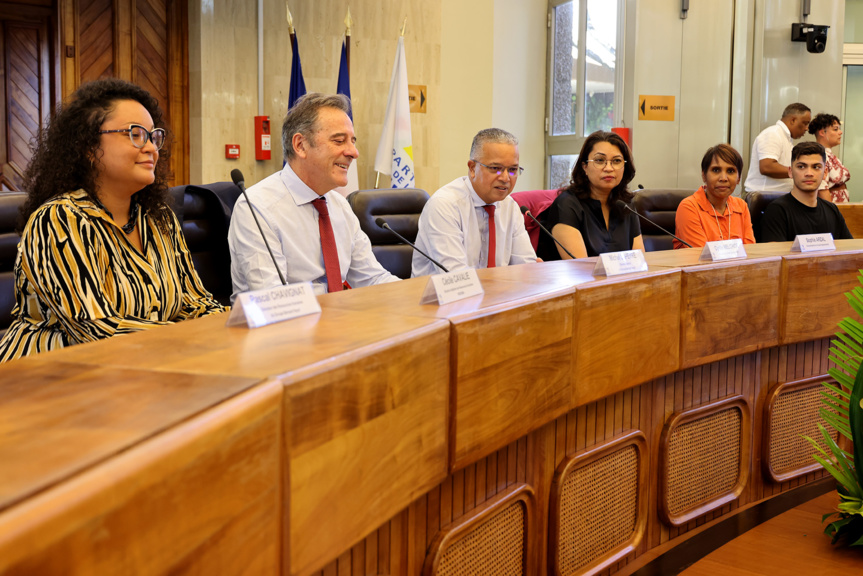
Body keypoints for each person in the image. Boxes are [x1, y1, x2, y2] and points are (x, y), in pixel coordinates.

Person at [0, 78, 224, 362]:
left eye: (153, 136)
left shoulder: (158, 218)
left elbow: (194, 302)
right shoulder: (58, 220)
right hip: (50, 379)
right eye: (135, 134)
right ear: (90, 147)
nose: (152, 148)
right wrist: (193, 339)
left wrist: (233, 325)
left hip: (149, 367)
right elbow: (96, 328)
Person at [229, 93, 399, 299]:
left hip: (339, 322)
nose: (354, 152)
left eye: (353, 141)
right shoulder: (257, 207)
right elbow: (271, 297)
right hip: (282, 326)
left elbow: (372, 279)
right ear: (300, 145)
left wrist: (416, 294)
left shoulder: (339, 206)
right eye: (339, 141)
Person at [410, 128, 535, 277]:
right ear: (472, 168)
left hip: (497, 297)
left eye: (513, 169)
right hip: (439, 298)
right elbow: (456, 276)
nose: (506, 178)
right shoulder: (444, 205)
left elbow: (526, 268)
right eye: (496, 168)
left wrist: (531, 273)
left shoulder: (511, 207)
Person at [537, 131, 644, 260]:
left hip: (624, 280)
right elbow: (581, 269)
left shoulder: (626, 204)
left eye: (616, 161)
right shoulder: (567, 205)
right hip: (578, 279)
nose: (609, 168)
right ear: (585, 167)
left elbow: (639, 262)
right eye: (600, 160)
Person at [761, 142, 853, 242]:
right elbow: (775, 255)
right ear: (790, 172)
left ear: (825, 173)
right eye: (801, 167)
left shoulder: (832, 210)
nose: (809, 173)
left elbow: (849, 250)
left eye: (816, 167)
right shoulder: (777, 211)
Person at [674, 144, 755, 249]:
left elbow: (750, 253)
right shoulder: (689, 207)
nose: (723, 178)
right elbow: (703, 257)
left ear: (739, 178)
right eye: (716, 170)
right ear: (704, 175)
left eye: (730, 171)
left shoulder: (742, 207)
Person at [744, 103, 811, 196]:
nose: (807, 128)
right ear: (793, 120)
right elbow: (766, 167)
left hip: (777, 196)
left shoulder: (786, 138)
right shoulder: (773, 133)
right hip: (764, 197)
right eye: (805, 123)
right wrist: (798, 171)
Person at [808, 113, 850, 204]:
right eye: (835, 129)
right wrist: (830, 212)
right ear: (822, 132)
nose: (840, 132)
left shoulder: (829, 154)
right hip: (830, 205)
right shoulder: (818, 156)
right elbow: (821, 188)